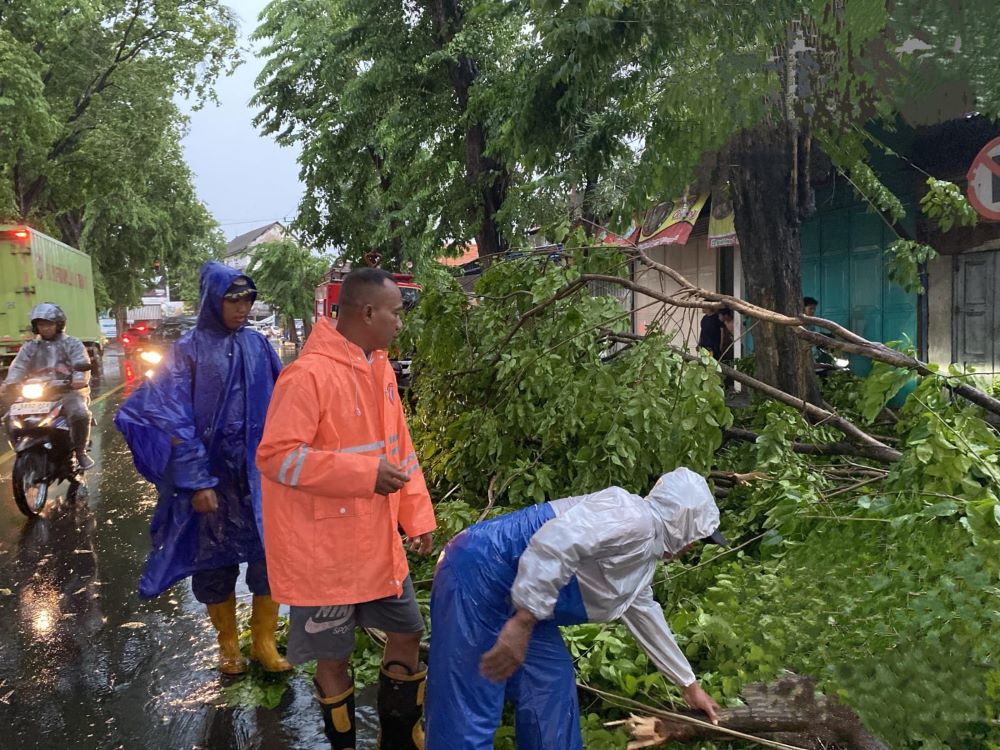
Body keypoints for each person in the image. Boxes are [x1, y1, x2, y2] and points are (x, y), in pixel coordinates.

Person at [256, 267, 436, 750]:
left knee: (407, 633)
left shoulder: (379, 369)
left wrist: (416, 516)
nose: (401, 322)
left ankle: (397, 740)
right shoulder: (307, 376)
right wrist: (361, 476)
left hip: (377, 546)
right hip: (325, 555)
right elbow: (275, 457)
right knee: (332, 659)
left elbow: (400, 450)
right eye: (396, 313)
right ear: (367, 311)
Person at [425, 467, 725, 750]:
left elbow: (643, 612)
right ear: (683, 523)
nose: (693, 547)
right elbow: (557, 543)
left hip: (525, 604)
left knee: (550, 689)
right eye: (696, 538)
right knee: (469, 705)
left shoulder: (644, 559)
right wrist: (522, 623)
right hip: (478, 573)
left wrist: (688, 685)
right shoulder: (632, 517)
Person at [114, 262, 289, 675]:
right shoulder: (186, 351)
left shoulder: (259, 346)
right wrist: (196, 481)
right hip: (213, 482)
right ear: (213, 300)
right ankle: (228, 644)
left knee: (270, 559)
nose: (242, 308)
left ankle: (264, 640)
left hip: (258, 477)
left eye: (248, 299)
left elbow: (285, 402)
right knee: (215, 564)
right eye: (233, 300)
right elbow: (172, 417)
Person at [2, 303, 93, 469]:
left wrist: (78, 379)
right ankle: (20, 449)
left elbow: (81, 362)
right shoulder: (30, 346)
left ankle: (80, 452)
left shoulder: (72, 343)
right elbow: (18, 366)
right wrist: (8, 384)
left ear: (58, 325)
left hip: (66, 390)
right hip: (37, 391)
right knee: (9, 415)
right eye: (41, 324)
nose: (44, 328)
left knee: (80, 413)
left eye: (48, 324)